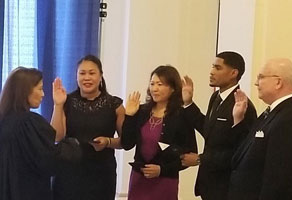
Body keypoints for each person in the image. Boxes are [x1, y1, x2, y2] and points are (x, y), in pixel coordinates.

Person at [181, 51, 257, 200]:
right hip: (209, 184)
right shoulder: (216, 97)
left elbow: (241, 151)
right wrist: (188, 103)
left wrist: (201, 159)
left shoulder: (242, 105)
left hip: (227, 186)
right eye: (212, 67)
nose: (211, 72)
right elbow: (209, 130)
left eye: (218, 68)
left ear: (233, 73)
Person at [0, 67, 81, 200]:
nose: (43, 94)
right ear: (25, 91)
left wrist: (58, 105)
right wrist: (73, 146)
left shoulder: (4, 121)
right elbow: (48, 159)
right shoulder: (28, 122)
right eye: (40, 89)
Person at [51, 55, 125, 200]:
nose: (87, 78)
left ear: (100, 76)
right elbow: (56, 136)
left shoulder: (115, 104)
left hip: (102, 173)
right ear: (76, 76)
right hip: (68, 172)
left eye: (92, 73)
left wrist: (108, 142)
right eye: (82, 73)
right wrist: (58, 105)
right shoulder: (67, 101)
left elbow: (126, 141)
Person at [121, 65, 197, 200]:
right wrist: (129, 116)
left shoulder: (181, 115)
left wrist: (162, 170)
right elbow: (127, 144)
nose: (154, 89)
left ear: (173, 88)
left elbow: (189, 154)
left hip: (165, 180)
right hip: (139, 178)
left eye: (160, 84)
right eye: (152, 84)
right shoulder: (142, 111)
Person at [228, 58, 292, 200]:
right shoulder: (272, 112)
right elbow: (250, 151)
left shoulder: (290, 118)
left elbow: (279, 178)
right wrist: (238, 119)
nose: (256, 83)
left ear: (278, 82)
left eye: (261, 77)